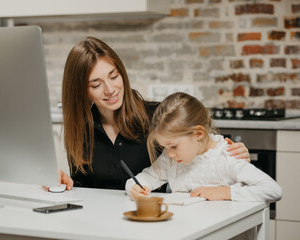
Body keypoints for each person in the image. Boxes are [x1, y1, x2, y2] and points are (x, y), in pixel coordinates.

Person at [59, 37, 251, 191]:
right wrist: (66, 184)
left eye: (114, 76)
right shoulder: (79, 128)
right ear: (81, 90)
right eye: (96, 84)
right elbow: (83, 187)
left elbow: (200, 153)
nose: (110, 89)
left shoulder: (158, 117)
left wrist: (231, 155)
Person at [126, 92, 282, 204]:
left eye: (173, 146)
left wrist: (226, 192)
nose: (170, 153)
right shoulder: (171, 159)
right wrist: (135, 187)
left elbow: (273, 190)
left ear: (198, 134)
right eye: (166, 147)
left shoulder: (225, 156)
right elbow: (144, 178)